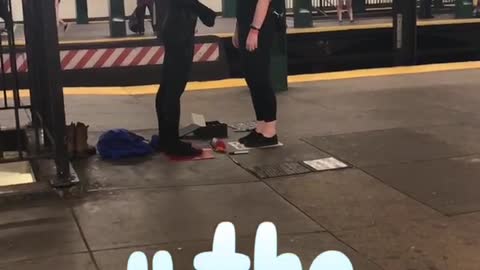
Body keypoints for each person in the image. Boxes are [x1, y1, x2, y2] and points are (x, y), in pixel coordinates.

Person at [154, 0, 216, 156]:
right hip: (180, 34)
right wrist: (205, 12)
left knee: (167, 87)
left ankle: (165, 139)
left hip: (174, 29)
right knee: (173, 90)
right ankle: (172, 143)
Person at [233, 0, 279, 148]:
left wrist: (254, 30)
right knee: (252, 78)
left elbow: (263, 2)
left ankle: (270, 131)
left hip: (260, 28)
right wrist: (238, 30)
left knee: (260, 77)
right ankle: (260, 127)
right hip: (247, 26)